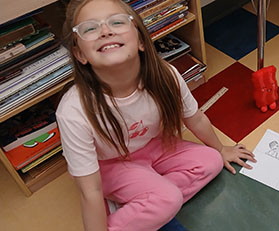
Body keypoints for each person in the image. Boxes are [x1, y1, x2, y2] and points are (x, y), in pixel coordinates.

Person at [56, 0, 257, 230]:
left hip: (153, 147)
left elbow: (195, 118)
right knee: (168, 199)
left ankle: (146, 199)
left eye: (117, 22)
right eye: (90, 28)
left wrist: (221, 149)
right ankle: (141, 207)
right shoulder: (73, 111)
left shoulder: (166, 75)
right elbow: (90, 190)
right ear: (80, 54)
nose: (105, 31)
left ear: (141, 40)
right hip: (110, 165)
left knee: (212, 161)